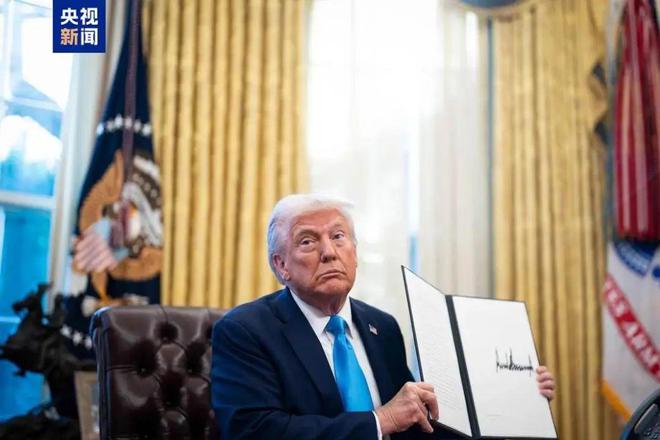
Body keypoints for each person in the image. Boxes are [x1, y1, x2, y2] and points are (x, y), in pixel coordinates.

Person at [211, 194, 555, 439]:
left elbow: (417, 427)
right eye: (307, 242)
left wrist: (511, 402)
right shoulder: (245, 330)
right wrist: (380, 420)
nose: (329, 252)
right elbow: (254, 431)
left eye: (338, 236)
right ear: (281, 265)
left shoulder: (383, 327)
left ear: (355, 253)